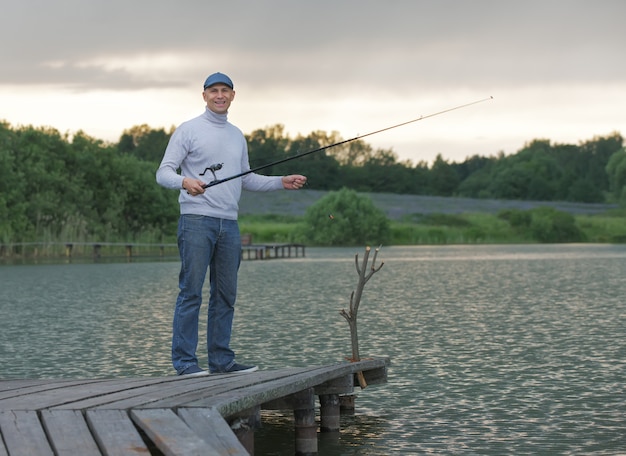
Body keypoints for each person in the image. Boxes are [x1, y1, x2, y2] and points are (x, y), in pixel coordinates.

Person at [156, 72, 307, 376]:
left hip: (229, 225)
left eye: (225, 90)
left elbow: (246, 178)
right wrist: (185, 181)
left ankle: (221, 361)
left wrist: (281, 181)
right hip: (196, 221)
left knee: (225, 295)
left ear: (233, 96)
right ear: (204, 96)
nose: (220, 95)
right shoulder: (188, 130)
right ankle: (185, 363)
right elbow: (163, 173)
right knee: (191, 293)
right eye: (214, 91)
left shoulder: (237, 135)